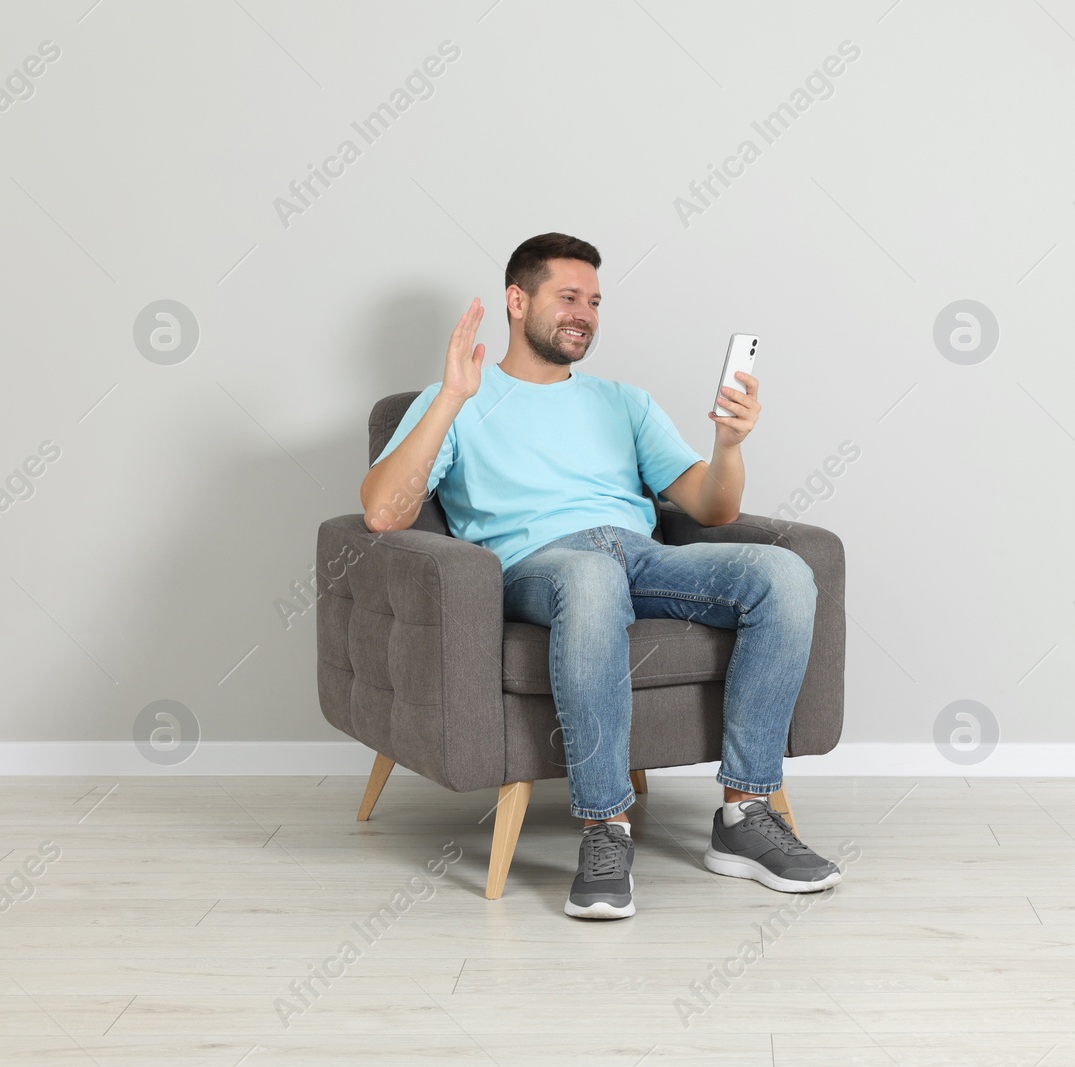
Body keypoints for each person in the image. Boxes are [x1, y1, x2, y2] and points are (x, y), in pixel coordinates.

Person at [359, 232, 842, 919]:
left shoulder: (625, 402)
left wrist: (728, 446)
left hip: (639, 555)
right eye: (568, 296)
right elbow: (382, 511)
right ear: (516, 300)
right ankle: (605, 827)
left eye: (593, 301)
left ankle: (744, 815)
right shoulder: (459, 397)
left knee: (784, 573)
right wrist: (450, 400)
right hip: (539, 566)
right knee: (589, 578)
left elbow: (712, 505)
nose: (584, 312)